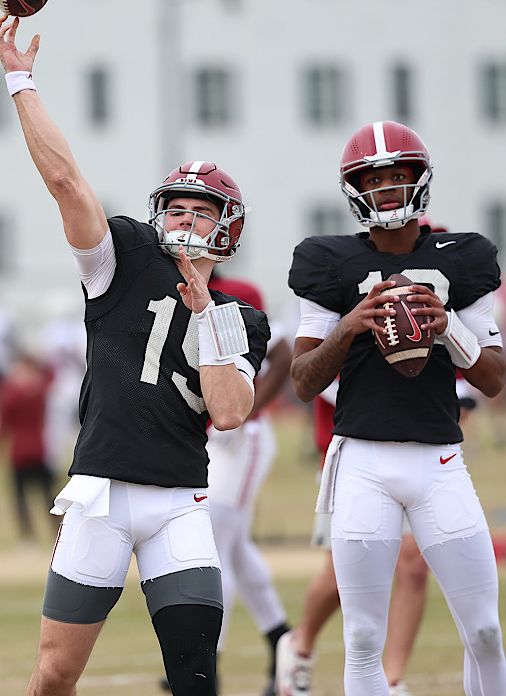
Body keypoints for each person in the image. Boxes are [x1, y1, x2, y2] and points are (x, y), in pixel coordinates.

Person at [0, 16, 270, 696]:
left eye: (199, 211)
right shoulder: (121, 259)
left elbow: (231, 412)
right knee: (55, 673)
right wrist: (19, 79)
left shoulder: (242, 317)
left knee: (195, 677)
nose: (182, 219)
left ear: (226, 229)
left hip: (178, 500)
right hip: (101, 496)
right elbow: (65, 182)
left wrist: (204, 310)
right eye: (174, 207)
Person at [286, 120, 506, 696]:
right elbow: (304, 381)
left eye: (397, 175)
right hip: (362, 460)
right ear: (355, 189)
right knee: (362, 638)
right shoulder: (329, 262)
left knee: (484, 628)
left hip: (439, 461)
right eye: (374, 178)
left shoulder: (463, 257)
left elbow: (492, 380)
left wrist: (449, 328)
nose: (386, 187)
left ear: (419, 181)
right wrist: (349, 328)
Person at [277, 377, 432, 696]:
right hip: (353, 446)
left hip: (417, 447)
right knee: (341, 577)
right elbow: (312, 366)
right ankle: (300, 643)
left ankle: (393, 681)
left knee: (414, 564)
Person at [202, 273, 293, 696]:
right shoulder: (163, 285)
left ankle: (208, 662)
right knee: (233, 548)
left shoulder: (240, 292)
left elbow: (282, 351)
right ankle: (282, 643)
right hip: (206, 436)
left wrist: (252, 408)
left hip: (241, 437)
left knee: (217, 546)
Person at [0, 353, 60, 547]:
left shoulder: (15, 393)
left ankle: (28, 537)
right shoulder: (40, 391)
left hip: (24, 450)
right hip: (36, 448)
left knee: (24, 496)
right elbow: (52, 376)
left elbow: (4, 420)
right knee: (45, 494)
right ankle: (54, 533)